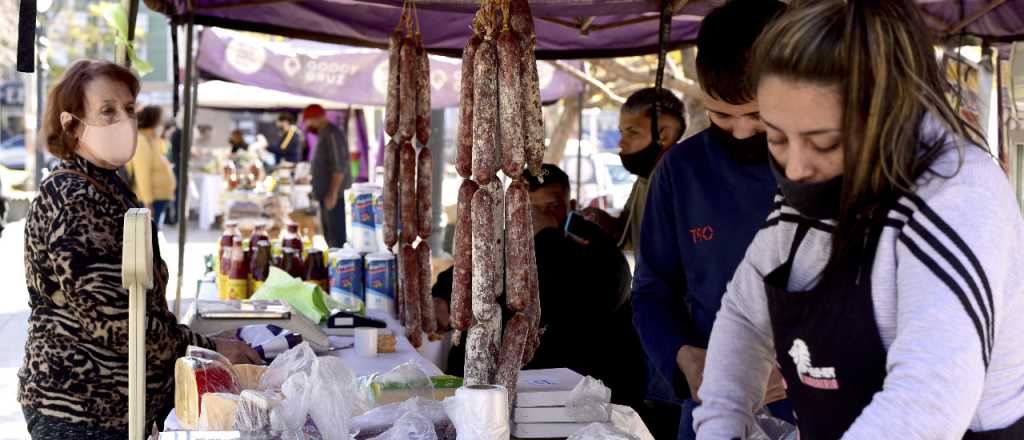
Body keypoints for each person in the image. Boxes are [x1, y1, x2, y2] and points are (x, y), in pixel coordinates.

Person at [694, 1, 1024, 438]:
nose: (795, 168)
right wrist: (721, 426)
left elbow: (926, 400)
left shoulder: (957, 195)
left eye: (823, 142)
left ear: (886, 116)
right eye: (775, 137)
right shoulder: (813, 187)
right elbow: (743, 314)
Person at [19, 59, 261, 439]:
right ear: (70, 124)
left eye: (129, 109)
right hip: (80, 409)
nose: (124, 121)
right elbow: (117, 324)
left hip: (116, 407)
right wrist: (207, 347)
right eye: (107, 111)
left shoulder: (105, 184)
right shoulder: (73, 197)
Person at [629, 1, 790, 438]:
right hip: (712, 405)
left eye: (758, 116)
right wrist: (684, 357)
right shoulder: (680, 172)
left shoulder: (830, 164)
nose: (740, 132)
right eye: (722, 115)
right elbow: (651, 291)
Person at [438, 165, 646, 410]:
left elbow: (606, 289)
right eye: (526, 209)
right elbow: (460, 275)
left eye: (551, 207)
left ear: (570, 205)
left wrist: (546, 235)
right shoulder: (502, 241)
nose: (536, 217)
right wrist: (440, 296)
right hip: (505, 389)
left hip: (578, 390)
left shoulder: (591, 241)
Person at [582, 87, 686, 252]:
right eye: (622, 133)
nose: (621, 143)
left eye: (633, 133)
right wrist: (602, 220)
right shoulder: (644, 180)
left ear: (665, 135)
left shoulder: (680, 183)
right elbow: (630, 238)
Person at [303, 104, 351, 248]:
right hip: (326, 195)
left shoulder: (332, 134)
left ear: (317, 118)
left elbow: (339, 167)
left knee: (336, 240)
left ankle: (339, 268)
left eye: (308, 121)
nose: (308, 126)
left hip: (333, 197)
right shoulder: (324, 134)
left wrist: (333, 193)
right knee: (330, 238)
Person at [127, 105, 177, 226]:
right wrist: (147, 203)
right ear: (153, 120)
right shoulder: (141, 140)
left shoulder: (150, 139)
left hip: (158, 197)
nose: (162, 123)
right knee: (149, 237)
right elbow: (142, 173)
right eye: (160, 119)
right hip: (150, 200)